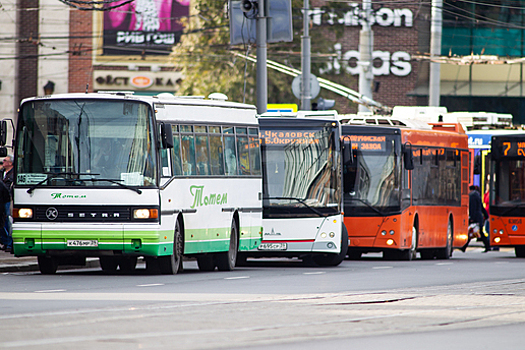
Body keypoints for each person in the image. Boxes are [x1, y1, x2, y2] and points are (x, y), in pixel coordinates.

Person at [462, 185, 490, 252]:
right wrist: (486, 216)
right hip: (479, 217)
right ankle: (487, 245)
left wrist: (472, 217)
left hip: (475, 217)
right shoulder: (477, 195)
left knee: (473, 232)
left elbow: (473, 208)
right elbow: (481, 207)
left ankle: (487, 245)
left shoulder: (472, 196)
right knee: (476, 232)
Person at [0, 155, 13, 252]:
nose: (3, 162)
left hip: (8, 199)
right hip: (2, 199)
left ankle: (9, 243)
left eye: (5, 161)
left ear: (10, 163)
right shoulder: (1, 173)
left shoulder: (13, 174)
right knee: (2, 222)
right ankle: (4, 241)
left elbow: (8, 188)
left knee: (8, 221)